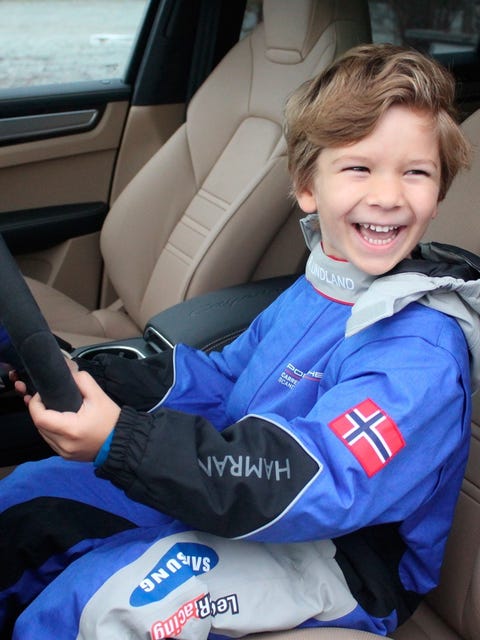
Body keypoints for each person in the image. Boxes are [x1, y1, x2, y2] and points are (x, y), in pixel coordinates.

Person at [0, 43, 479, 639]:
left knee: (111, 599)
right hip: (242, 488)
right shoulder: (322, 287)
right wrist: (97, 378)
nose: (388, 195)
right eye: (359, 168)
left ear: (439, 193)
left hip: (345, 555)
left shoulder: (421, 351)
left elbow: (319, 478)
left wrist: (127, 442)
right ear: (307, 187)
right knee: (29, 498)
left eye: (416, 172)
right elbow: (225, 380)